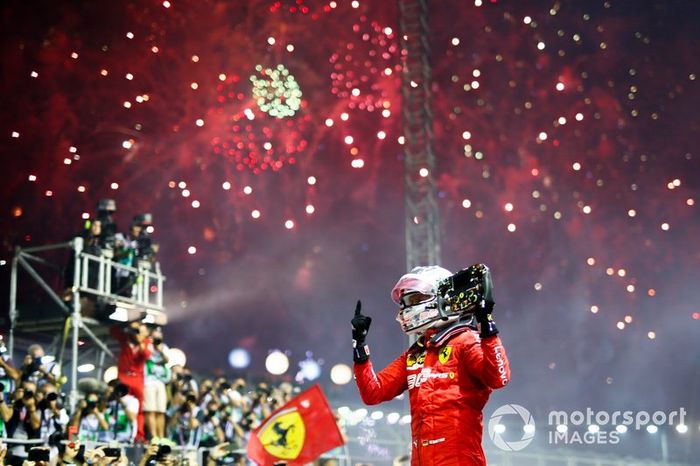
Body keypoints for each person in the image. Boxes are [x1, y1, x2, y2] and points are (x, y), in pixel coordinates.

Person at [352, 265, 511, 466]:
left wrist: (487, 326)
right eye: (404, 303)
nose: (407, 308)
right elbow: (372, 393)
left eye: (414, 300)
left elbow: (498, 378)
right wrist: (359, 345)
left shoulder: (466, 341)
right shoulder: (416, 353)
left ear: (441, 297)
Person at [110, 320, 151, 441]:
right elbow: (113, 331)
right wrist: (128, 325)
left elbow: (146, 355)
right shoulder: (126, 338)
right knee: (119, 403)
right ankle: (118, 431)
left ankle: (139, 434)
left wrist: (140, 341)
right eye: (136, 331)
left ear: (146, 333)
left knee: (139, 408)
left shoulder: (147, 342)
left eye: (140, 331)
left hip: (137, 378)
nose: (137, 333)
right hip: (123, 377)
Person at [143, 326, 169, 440]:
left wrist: (160, 350)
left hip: (160, 381)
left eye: (159, 336)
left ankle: (161, 437)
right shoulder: (146, 346)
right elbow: (144, 356)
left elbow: (167, 360)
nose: (158, 337)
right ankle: (154, 437)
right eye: (155, 336)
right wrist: (151, 346)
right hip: (148, 381)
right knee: (150, 410)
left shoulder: (164, 347)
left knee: (161, 411)